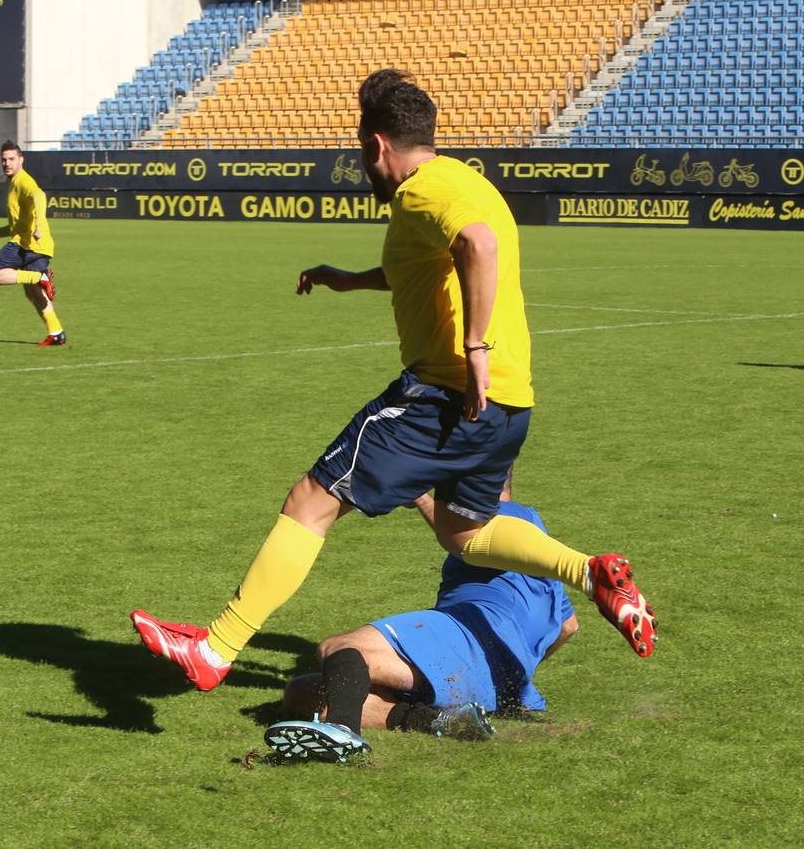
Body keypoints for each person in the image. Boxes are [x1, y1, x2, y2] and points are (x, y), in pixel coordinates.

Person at [131, 69, 655, 693]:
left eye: (361, 150)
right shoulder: (464, 179)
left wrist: (474, 346)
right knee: (467, 532)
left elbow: (478, 247)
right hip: (510, 403)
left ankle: (215, 650)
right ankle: (590, 571)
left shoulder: (421, 191)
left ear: (377, 145)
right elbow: (425, 268)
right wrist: (349, 279)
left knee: (310, 501)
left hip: (444, 393)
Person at [265, 494, 579, 762]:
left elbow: (470, 542)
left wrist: (422, 498)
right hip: (491, 685)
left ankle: (342, 731)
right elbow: (568, 627)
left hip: (464, 637)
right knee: (303, 691)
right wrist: (515, 678)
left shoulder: (503, 515)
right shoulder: (539, 548)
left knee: (340, 648)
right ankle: (432, 719)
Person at [0, 140, 67, 346]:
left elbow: (40, 195)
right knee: (32, 291)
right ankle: (56, 332)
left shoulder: (23, 181)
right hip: (41, 246)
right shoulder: (14, 184)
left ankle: (41, 276)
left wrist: (40, 227)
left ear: (21, 160)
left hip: (28, 245)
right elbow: (17, 227)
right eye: (4, 160)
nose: (7, 163)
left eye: (11, 159)